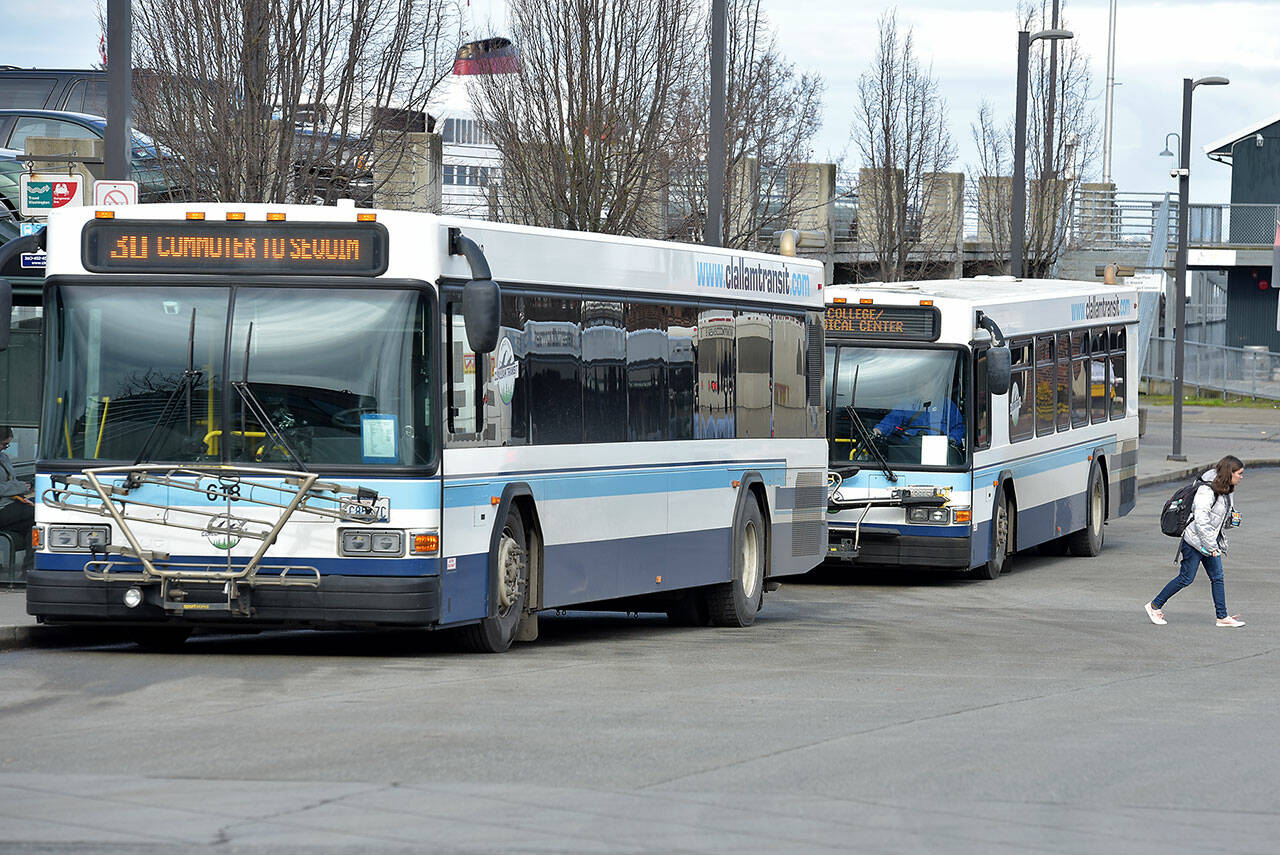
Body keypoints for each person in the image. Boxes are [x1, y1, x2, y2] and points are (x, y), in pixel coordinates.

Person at [1145, 455, 1246, 628]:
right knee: (1186, 578)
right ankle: (1154, 606)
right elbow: (1201, 520)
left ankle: (1222, 617)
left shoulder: (1227, 490)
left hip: (1208, 541)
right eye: (1239, 473)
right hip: (1193, 542)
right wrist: (1212, 546)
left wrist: (1231, 520)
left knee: (1217, 577)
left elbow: (1218, 518)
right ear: (1230, 473)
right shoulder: (1207, 490)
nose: (1241, 477)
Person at [872, 398, 965, 447]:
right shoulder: (906, 403)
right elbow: (891, 420)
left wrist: (952, 440)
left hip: (939, 451)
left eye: (928, 382)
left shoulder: (946, 404)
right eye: (922, 383)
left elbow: (958, 427)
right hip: (908, 452)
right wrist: (879, 430)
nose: (925, 386)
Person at [0, 426, 35, 546]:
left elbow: (12, 481)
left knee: (35, 524)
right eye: (3, 444)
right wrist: (20, 487)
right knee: (38, 512)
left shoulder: (4, 458)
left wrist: (22, 498)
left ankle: (30, 563)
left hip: (10, 503)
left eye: (6, 446)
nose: (3, 448)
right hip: (2, 507)